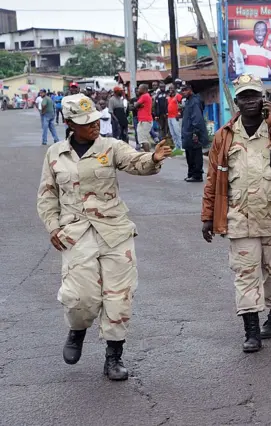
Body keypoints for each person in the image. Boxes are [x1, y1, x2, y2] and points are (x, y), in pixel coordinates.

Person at [36, 94, 172, 380]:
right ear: (71, 123)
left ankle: (114, 357)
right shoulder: (56, 154)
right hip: (75, 233)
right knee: (80, 296)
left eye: (95, 120)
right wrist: (52, 227)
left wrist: (153, 159)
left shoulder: (110, 147)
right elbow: (47, 196)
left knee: (119, 296)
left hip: (114, 231)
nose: (94, 126)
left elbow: (135, 161)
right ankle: (77, 330)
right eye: (86, 123)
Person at [201, 74, 271, 352]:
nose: (250, 102)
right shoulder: (224, 136)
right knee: (244, 274)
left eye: (255, 96)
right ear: (236, 102)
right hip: (239, 219)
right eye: (244, 97)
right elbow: (212, 178)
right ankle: (251, 330)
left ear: (264, 99)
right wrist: (207, 216)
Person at [181, 82, 208, 182]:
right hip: (188, 132)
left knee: (195, 154)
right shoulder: (189, 101)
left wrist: (196, 133)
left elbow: (197, 118)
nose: (183, 92)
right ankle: (191, 173)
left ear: (190, 90)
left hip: (193, 132)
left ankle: (197, 175)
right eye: (182, 90)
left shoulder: (195, 101)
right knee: (189, 153)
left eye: (185, 90)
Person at [134, 84, 154, 152]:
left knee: (143, 140)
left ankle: (148, 156)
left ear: (144, 89)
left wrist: (138, 105)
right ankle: (149, 155)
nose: (138, 90)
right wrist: (139, 105)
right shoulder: (146, 96)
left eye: (139, 88)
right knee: (146, 139)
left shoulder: (144, 96)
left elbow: (135, 105)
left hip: (144, 121)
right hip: (145, 120)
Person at [167, 84, 183, 153]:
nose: (171, 90)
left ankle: (181, 147)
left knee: (178, 132)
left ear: (175, 89)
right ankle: (176, 147)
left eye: (172, 88)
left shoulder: (178, 96)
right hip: (169, 117)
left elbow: (182, 105)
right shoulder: (168, 97)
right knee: (172, 133)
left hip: (175, 117)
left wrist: (179, 113)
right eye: (169, 89)